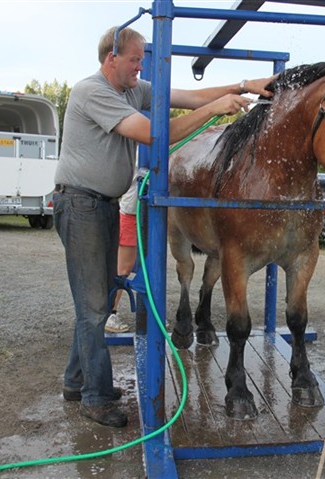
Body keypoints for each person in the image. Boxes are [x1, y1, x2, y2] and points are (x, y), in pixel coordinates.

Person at [54, 25, 275, 428]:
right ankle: (95, 397)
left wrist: (245, 85)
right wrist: (214, 111)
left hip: (99, 204)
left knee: (98, 299)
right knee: (92, 307)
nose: (141, 67)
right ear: (111, 59)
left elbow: (187, 96)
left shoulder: (130, 89)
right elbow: (155, 133)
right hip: (80, 204)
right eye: (135, 60)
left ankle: (76, 380)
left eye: (142, 59)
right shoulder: (92, 91)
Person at [105, 176, 139, 333]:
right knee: (123, 270)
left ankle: (149, 313)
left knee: (149, 267)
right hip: (131, 214)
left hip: (148, 214)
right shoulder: (139, 154)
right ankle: (110, 313)